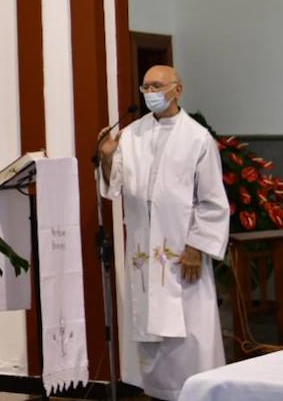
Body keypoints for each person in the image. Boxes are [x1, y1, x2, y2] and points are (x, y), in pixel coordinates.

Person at [97, 66, 229, 401]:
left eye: (157, 86)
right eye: (145, 87)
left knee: (189, 330)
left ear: (177, 90)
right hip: (143, 251)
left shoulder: (197, 138)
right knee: (149, 327)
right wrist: (108, 157)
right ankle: (156, 391)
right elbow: (115, 188)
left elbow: (213, 201)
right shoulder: (132, 135)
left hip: (182, 250)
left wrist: (197, 246)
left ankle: (196, 391)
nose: (150, 92)